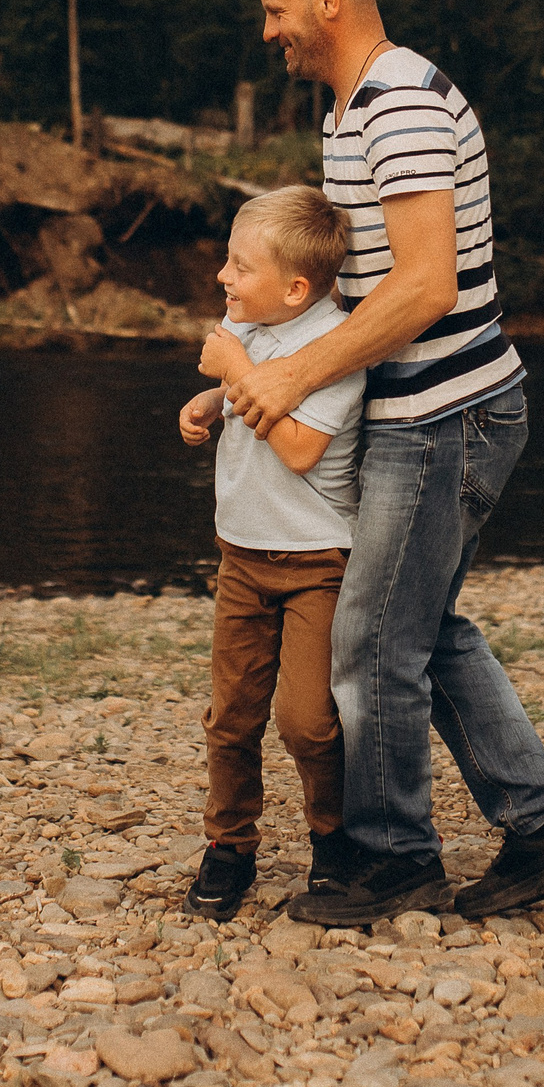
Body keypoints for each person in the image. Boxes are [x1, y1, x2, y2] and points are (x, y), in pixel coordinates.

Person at [224, 0, 544, 926]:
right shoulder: (350, 113)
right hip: (425, 412)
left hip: (448, 414)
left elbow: (426, 285)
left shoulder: (398, 106)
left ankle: (395, 861)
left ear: (324, 2)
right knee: (419, 629)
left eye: (275, 11)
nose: (267, 32)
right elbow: (351, 285)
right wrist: (259, 357)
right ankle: (542, 827)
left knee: (369, 650)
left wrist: (298, 372)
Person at [175, 186, 364, 920]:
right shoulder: (246, 322)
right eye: (227, 260)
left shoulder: (337, 347)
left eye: (239, 266)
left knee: (308, 720)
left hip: (316, 561)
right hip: (241, 557)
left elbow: (297, 446)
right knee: (232, 714)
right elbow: (240, 402)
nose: (224, 277)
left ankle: (334, 838)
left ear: (296, 286)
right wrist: (204, 405)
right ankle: (230, 845)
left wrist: (229, 372)